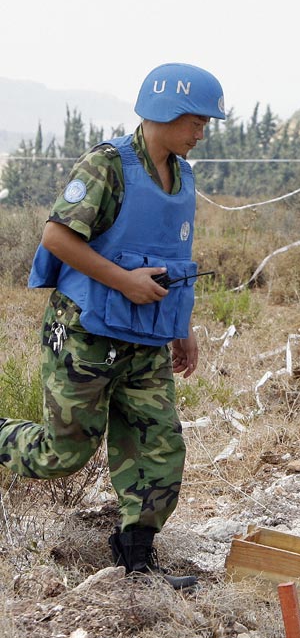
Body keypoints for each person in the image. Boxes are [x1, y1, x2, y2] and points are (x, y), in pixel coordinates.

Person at [0, 63, 226, 590]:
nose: (202, 132)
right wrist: (123, 281)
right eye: (196, 121)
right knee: (65, 453)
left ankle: (137, 560)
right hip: (85, 334)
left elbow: (176, 257)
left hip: (145, 336)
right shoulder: (109, 167)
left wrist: (182, 328)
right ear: (165, 114)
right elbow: (57, 237)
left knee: (160, 446)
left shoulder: (183, 176)